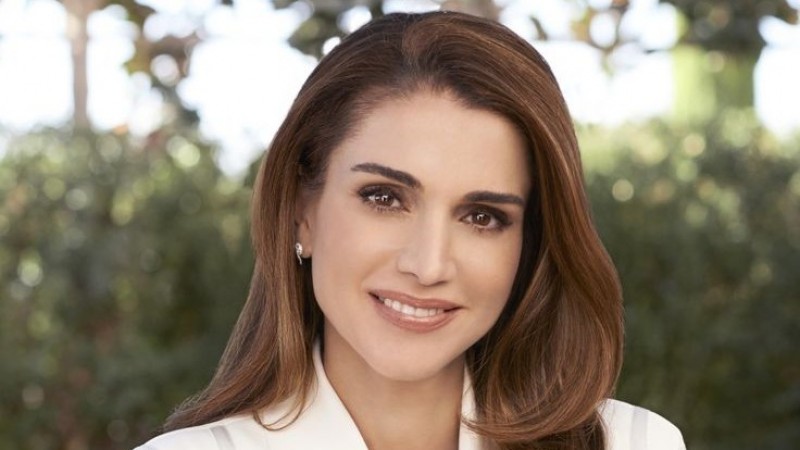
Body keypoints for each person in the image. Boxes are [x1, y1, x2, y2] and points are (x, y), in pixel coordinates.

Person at [136, 11, 685, 450]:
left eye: (482, 216)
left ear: (530, 244)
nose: (428, 265)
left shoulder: (633, 444)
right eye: (384, 198)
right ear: (302, 211)